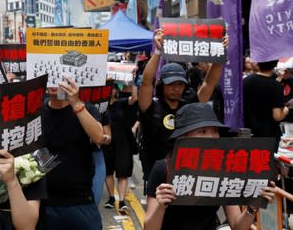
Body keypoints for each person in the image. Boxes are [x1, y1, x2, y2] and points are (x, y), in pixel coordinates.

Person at [144, 102, 276, 230]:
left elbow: (237, 226)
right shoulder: (164, 168)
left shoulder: (224, 169)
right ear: (184, 136)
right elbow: (149, 228)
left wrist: (252, 207)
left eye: (215, 131)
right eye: (203, 131)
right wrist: (161, 206)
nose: (211, 137)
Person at [138, 29, 226, 189]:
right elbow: (146, 82)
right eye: (171, 84)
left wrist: (220, 54)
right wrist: (158, 51)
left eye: (179, 84)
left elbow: (209, 83)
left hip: (189, 173)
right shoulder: (151, 107)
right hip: (157, 174)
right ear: (161, 85)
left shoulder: (191, 104)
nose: (176, 88)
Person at [42, 77, 104, 229]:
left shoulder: (86, 109)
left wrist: (76, 104)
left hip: (79, 199)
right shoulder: (36, 112)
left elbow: (98, 137)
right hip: (45, 202)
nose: (53, 83)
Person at [103, 83, 138, 212]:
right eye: (108, 87)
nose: (111, 90)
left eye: (113, 88)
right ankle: (111, 198)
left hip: (123, 142)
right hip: (107, 142)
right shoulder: (101, 106)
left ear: (117, 90)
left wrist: (132, 82)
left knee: (123, 172)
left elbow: (134, 98)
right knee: (108, 171)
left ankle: (121, 200)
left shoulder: (121, 103)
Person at [244, 60, 290, 142]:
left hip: (246, 132)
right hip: (268, 134)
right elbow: (277, 116)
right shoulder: (276, 86)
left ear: (258, 63)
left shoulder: (245, 81)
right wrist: (286, 110)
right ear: (275, 64)